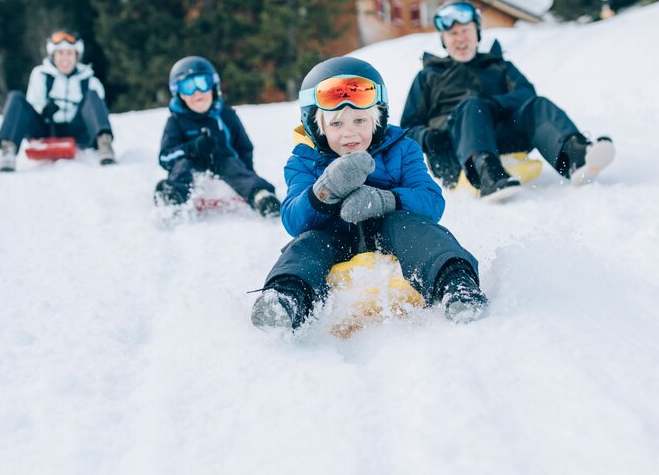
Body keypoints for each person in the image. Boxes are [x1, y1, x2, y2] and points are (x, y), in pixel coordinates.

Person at [250, 56, 488, 332]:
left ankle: (455, 284)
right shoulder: (303, 161)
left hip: (394, 234)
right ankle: (286, 298)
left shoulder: (403, 148)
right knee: (307, 244)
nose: (350, 133)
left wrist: (388, 200)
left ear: (378, 119)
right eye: (336, 124)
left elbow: (431, 201)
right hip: (333, 239)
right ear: (317, 126)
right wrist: (325, 191)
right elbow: (293, 220)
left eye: (360, 120)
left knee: (418, 229)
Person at [400, 0, 615, 198]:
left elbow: (526, 94)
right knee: (472, 105)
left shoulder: (499, 67)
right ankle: (486, 172)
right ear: (444, 40)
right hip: (454, 151)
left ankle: (575, 155)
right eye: (453, 34)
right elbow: (408, 128)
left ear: (477, 33)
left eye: (466, 31)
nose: (460, 39)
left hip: (501, 137)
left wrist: (495, 104)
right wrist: (427, 137)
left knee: (536, 104)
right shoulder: (428, 76)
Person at [154, 56, 281, 217]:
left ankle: (261, 196)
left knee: (232, 164)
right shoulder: (175, 122)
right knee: (183, 166)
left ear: (213, 87)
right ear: (179, 94)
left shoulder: (227, 116)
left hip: (224, 165)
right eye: (188, 87)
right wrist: (191, 148)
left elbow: (244, 147)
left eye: (203, 83)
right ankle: (172, 199)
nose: (197, 92)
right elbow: (165, 157)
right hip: (192, 170)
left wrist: (248, 173)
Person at [0, 29, 116, 171]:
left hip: (78, 130)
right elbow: (34, 102)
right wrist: (44, 110)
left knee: (92, 94)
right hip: (46, 128)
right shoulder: (41, 75)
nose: (65, 58)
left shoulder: (89, 79)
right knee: (16, 98)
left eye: (69, 53)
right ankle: (8, 149)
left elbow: (99, 108)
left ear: (76, 56)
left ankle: (104, 144)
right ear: (53, 55)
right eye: (60, 53)